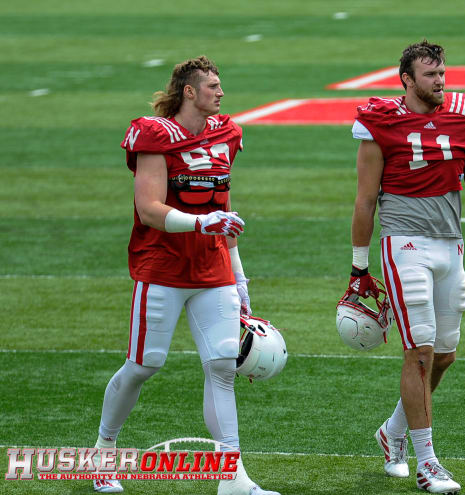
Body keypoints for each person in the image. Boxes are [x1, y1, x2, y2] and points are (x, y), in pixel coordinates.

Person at [91, 56, 279, 495]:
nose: (221, 92)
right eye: (212, 85)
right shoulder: (155, 134)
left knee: (220, 366)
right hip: (162, 266)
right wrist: (201, 223)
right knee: (144, 365)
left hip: (213, 267)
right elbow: (149, 209)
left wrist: (240, 279)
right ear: (189, 92)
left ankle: (231, 477)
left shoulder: (226, 133)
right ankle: (103, 452)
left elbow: (224, 210)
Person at [348, 41, 465, 494]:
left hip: (450, 242)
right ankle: (428, 463)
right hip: (404, 242)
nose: (439, 81)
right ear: (406, 79)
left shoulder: (464, 115)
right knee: (419, 350)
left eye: (442, 73)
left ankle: (392, 432)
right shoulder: (380, 120)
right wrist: (359, 266)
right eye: (429, 75)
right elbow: (365, 198)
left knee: (444, 355)